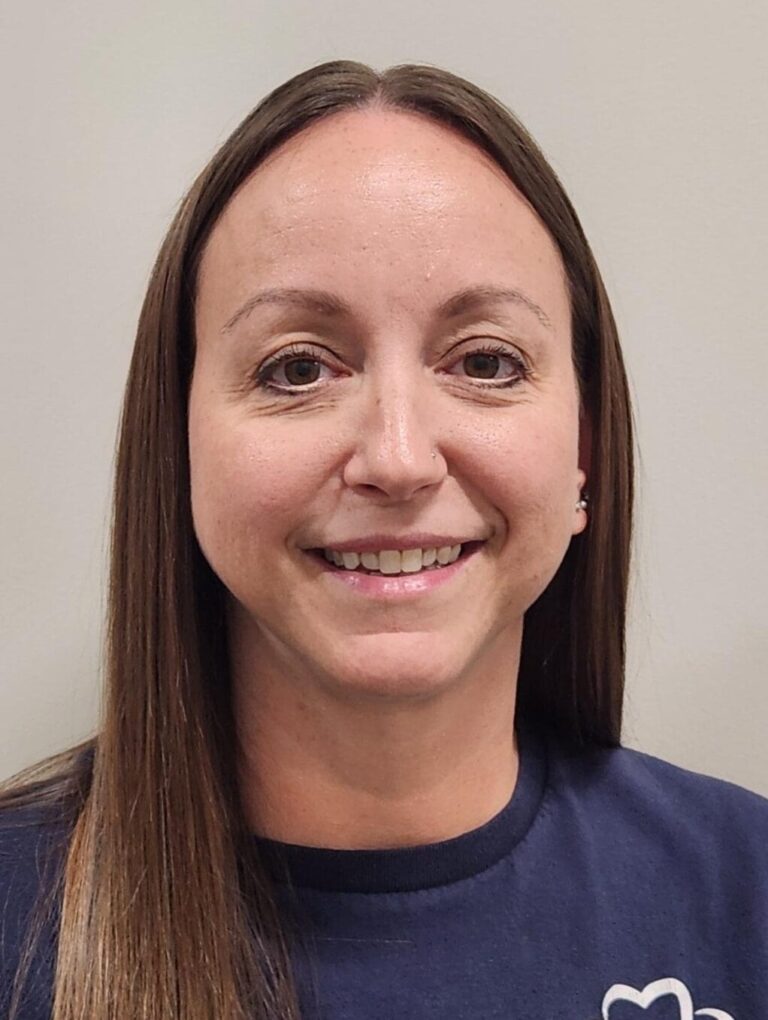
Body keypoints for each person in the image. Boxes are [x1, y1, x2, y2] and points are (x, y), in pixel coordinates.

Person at [1, 59, 766, 1020]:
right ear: (179, 450)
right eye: (295, 370)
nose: (398, 460)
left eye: (485, 361)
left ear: (584, 456)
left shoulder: (748, 892)